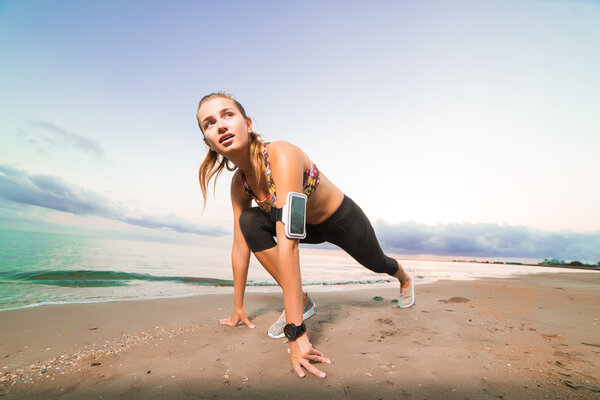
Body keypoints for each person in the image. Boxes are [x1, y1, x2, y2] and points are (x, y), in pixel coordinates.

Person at [196, 92, 414, 379]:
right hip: (304, 228)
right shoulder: (240, 184)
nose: (221, 126)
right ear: (207, 141)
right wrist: (238, 308)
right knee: (249, 222)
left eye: (227, 115)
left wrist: (296, 334)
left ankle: (405, 278)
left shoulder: (281, 155)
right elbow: (240, 245)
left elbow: (288, 241)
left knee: (377, 263)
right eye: (209, 123)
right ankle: (303, 300)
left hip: (339, 218)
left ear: (247, 123)